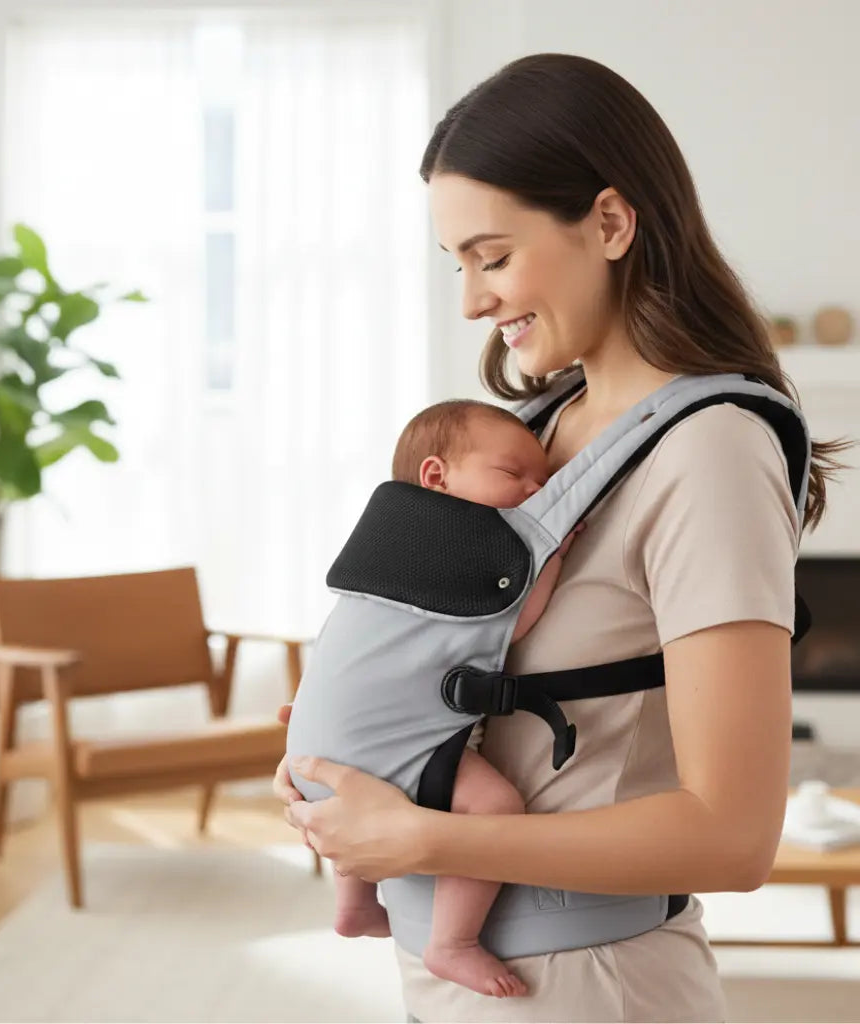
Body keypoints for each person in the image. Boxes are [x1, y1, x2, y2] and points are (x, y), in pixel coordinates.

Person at [275, 53, 847, 1022]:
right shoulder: (535, 433)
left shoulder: (708, 450)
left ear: (612, 224)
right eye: (456, 263)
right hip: (456, 962)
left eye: (491, 257)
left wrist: (421, 841)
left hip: (585, 984)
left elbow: (734, 836)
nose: (471, 300)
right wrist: (345, 764)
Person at [290, 399, 578, 999]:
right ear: (435, 477)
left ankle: (354, 906)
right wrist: (553, 554)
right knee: (496, 806)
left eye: (545, 481)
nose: (534, 490)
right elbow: (514, 623)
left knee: (361, 786)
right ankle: (452, 942)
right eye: (513, 475)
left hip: (311, 749)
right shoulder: (462, 567)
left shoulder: (388, 554)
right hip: (377, 752)